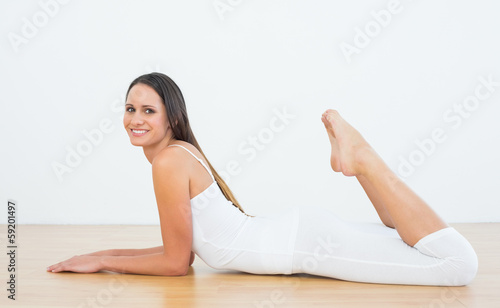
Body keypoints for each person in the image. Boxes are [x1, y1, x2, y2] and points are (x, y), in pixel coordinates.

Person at [47, 72, 478, 286]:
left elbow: (177, 265)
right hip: (301, 235)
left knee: (457, 265)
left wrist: (104, 262)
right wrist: (102, 254)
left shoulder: (167, 163)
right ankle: (359, 162)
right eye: (129, 109)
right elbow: (183, 250)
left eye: (147, 110)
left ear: (171, 117)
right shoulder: (178, 154)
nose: (135, 120)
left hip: (304, 246)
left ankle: (363, 158)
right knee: (405, 237)